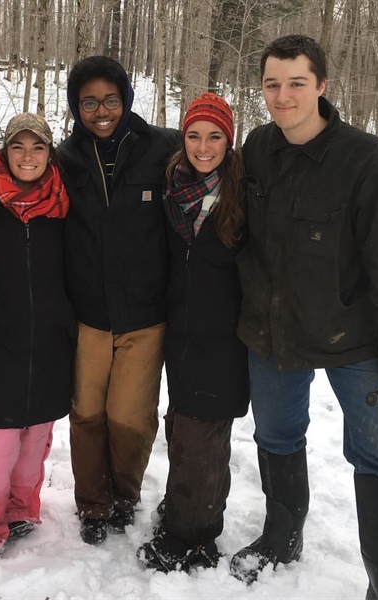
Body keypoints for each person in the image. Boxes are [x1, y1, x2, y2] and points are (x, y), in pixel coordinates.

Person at [229, 35, 378, 600]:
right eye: (272, 84)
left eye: (296, 83)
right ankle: (280, 535)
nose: (283, 95)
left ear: (321, 85)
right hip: (273, 334)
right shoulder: (259, 148)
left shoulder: (366, 159)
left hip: (354, 338)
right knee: (276, 433)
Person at [57, 55, 180, 545]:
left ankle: (125, 495)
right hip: (88, 313)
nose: (101, 111)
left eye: (110, 99)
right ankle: (93, 503)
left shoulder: (163, 148)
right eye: (89, 102)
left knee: (129, 417)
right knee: (87, 414)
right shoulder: (65, 159)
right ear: (76, 106)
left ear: (126, 98)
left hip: (145, 314)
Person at [0, 113, 75, 557]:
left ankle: (21, 509)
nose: (28, 156)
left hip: (49, 341)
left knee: (36, 437)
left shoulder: (64, 204)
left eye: (37, 147)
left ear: (49, 153)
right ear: (4, 153)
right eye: (18, 147)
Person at [135, 93, 250, 573]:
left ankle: (191, 537)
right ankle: (187, 508)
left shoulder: (244, 194)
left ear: (230, 139)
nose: (204, 147)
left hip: (223, 337)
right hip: (181, 330)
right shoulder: (173, 184)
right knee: (182, 426)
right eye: (194, 136)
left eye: (215, 136)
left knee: (202, 435)